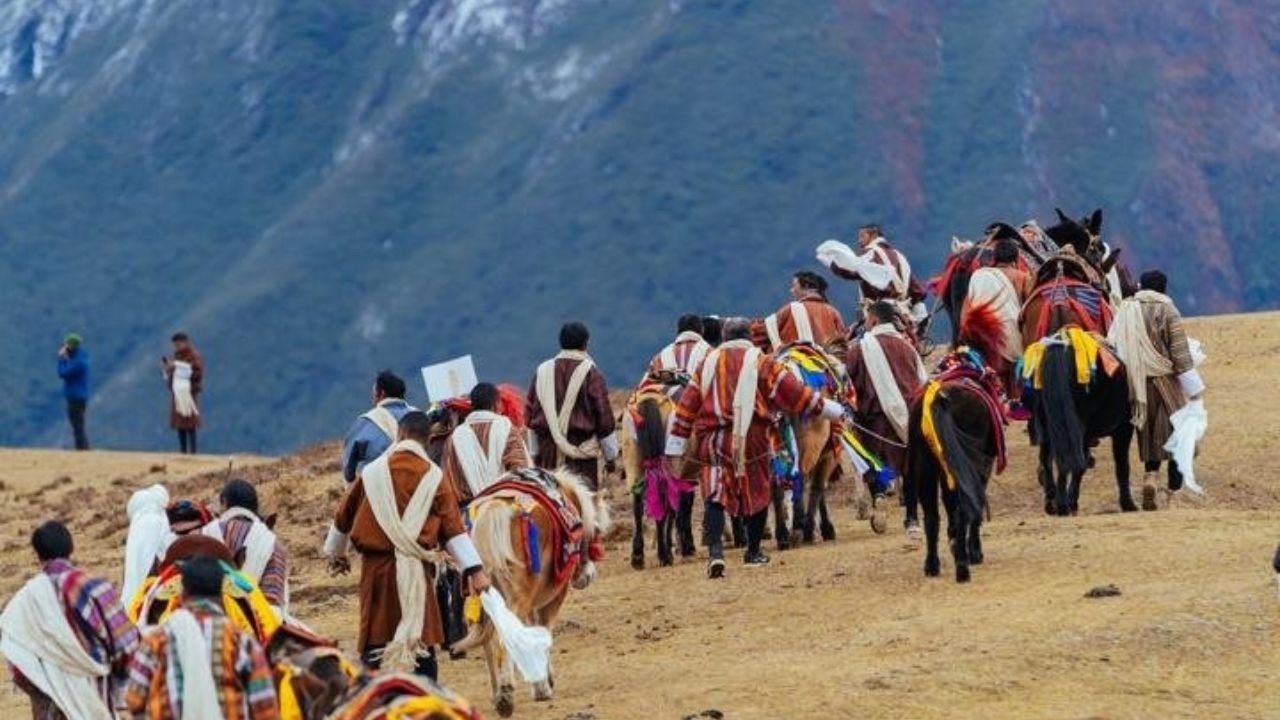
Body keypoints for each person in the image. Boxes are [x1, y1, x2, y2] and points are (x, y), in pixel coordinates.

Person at [665, 318, 847, 578]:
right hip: (753, 437)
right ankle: (753, 551)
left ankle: (716, 553)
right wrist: (830, 409)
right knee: (758, 490)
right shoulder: (763, 362)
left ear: (726, 335)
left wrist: (677, 441)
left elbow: (688, 404)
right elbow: (795, 394)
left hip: (713, 439)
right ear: (749, 336)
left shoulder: (707, 363)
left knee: (715, 494)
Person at [326, 411, 491, 680]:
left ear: (400, 435)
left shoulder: (371, 473)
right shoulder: (434, 476)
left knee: (373, 645)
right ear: (426, 440)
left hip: (376, 571)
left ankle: (370, 701)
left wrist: (337, 553)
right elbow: (453, 531)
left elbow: (342, 517)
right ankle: (429, 701)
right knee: (422, 646)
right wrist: (475, 570)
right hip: (417, 569)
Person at [0, 521, 140, 720]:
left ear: (38, 555)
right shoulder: (95, 587)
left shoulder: (23, 601)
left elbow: (18, 666)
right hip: (96, 701)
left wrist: (46, 689)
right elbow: (126, 644)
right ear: (70, 548)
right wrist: (117, 684)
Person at [124, 555, 280, 719]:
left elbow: (134, 700)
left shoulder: (156, 640)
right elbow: (265, 707)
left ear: (183, 593)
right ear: (221, 595)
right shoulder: (242, 642)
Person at [1107, 270, 1205, 511]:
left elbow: (1112, 343)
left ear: (1141, 286)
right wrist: (1194, 389)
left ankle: (1150, 476)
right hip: (1165, 383)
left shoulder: (1127, 309)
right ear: (1164, 289)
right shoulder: (1168, 310)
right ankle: (1173, 494)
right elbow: (1180, 354)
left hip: (1134, 385)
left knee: (1149, 433)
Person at [845, 301, 928, 528]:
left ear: (872, 320)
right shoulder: (908, 347)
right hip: (908, 416)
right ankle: (911, 518)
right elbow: (923, 382)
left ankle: (879, 494)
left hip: (873, 419)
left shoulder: (859, 349)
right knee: (908, 466)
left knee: (875, 461)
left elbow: (846, 383)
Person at [526, 322, 620, 489]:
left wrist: (534, 454)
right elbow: (604, 419)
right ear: (585, 344)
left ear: (560, 342)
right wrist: (611, 457)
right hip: (581, 461)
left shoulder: (542, 371)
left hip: (548, 456)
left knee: (551, 508)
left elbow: (530, 415)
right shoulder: (592, 373)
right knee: (583, 510)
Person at [209, 479, 290, 617]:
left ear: (224, 502)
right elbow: (274, 604)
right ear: (255, 507)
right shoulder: (272, 544)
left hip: (206, 619)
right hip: (259, 626)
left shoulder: (204, 534)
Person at [821, 223, 928, 326]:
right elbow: (917, 291)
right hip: (904, 315)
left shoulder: (869, 253)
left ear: (873, 236)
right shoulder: (900, 257)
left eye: (862, 236)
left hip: (879, 315)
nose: (859, 241)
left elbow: (850, 270)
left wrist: (831, 262)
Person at [439, 382, 530, 503]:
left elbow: (449, 483)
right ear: (497, 404)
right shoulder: (505, 428)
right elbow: (521, 471)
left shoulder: (454, 439)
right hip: (508, 508)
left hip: (470, 515)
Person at [963, 239, 1034, 391]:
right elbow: (1030, 314)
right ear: (1016, 260)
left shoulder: (980, 276)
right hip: (1014, 344)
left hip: (985, 342)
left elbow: (966, 314)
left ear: (994, 259)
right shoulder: (1022, 278)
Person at [342, 370, 418, 483]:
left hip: (379, 490)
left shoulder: (364, 423)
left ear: (381, 393)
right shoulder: (419, 416)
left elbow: (348, 473)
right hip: (420, 485)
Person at [754, 271, 847, 351]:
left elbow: (763, 331)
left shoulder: (791, 309)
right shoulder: (834, 312)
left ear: (806, 286)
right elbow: (843, 342)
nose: (791, 290)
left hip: (796, 365)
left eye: (794, 286)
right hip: (830, 367)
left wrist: (748, 328)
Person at [162, 332, 204, 454]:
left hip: (189, 393)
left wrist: (179, 368)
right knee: (180, 424)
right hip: (178, 392)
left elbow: (197, 372)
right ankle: (183, 451)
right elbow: (174, 372)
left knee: (190, 424)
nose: (176, 346)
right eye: (175, 344)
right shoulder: (177, 356)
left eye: (178, 344)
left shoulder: (194, 356)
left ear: (185, 342)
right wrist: (170, 369)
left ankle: (193, 451)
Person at [645, 314, 712, 380]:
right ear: (702, 331)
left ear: (678, 331)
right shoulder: (710, 353)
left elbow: (645, 385)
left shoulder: (660, 357)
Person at [56, 333, 90, 450]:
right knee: (78, 424)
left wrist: (61, 360)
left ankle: (82, 448)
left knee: (77, 424)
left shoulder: (78, 363)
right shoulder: (82, 357)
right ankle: (83, 447)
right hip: (80, 396)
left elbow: (63, 373)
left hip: (75, 397)